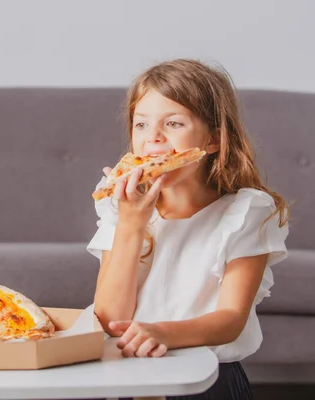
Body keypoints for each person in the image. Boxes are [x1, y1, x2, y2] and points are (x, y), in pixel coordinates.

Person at [88, 59, 290, 399]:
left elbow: (231, 319)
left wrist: (163, 332)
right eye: (140, 125)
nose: (153, 136)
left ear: (212, 140)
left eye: (174, 123)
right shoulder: (118, 206)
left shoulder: (245, 212)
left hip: (210, 379)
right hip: (130, 377)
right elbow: (109, 319)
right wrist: (131, 224)